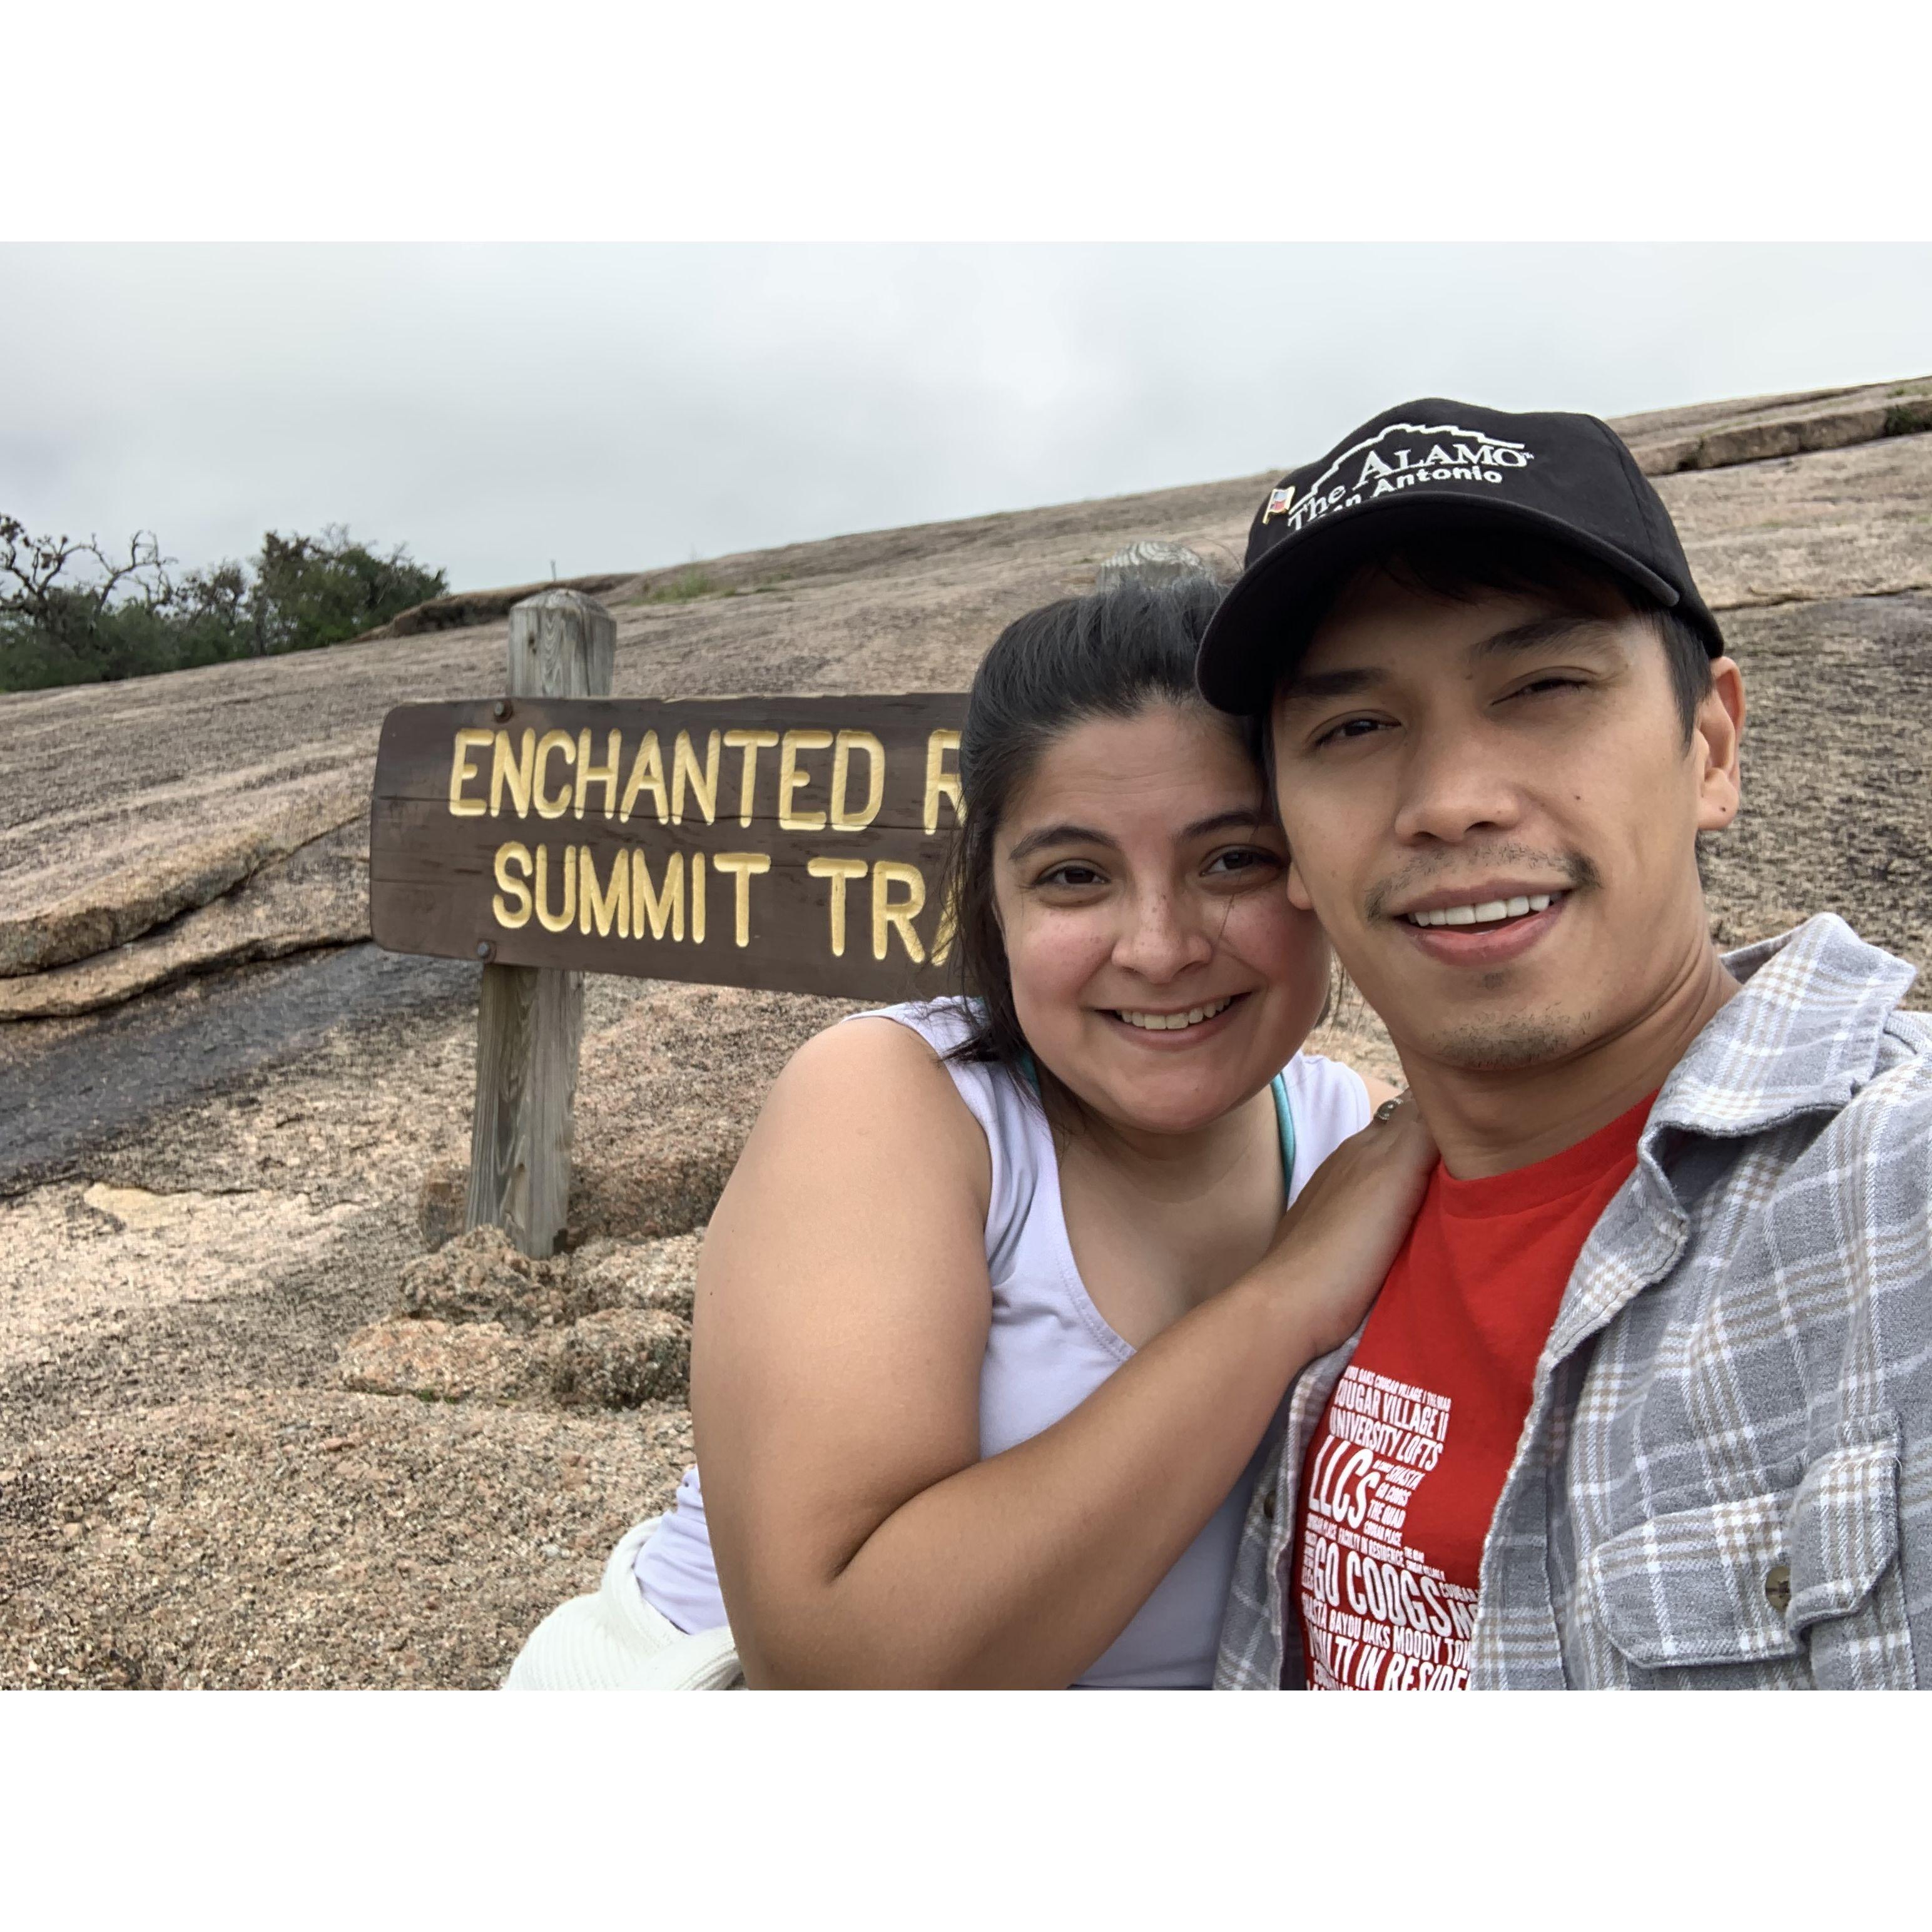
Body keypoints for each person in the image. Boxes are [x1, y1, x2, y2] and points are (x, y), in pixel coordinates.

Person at [506, 575, 1434, 1689]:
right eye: (1076, 877)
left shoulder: (1352, 1132)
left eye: (1233, 859)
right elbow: (835, 1672)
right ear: (992, 901)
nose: (1158, 945)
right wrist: (1279, 1303)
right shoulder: (897, 1102)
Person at [1194, 397, 1932, 1690]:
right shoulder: (1318, 1219)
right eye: (1351, 728)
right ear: (1287, 843)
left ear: (1707, 746)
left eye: (1541, 687)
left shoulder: (1892, 1188)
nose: (1451, 800)